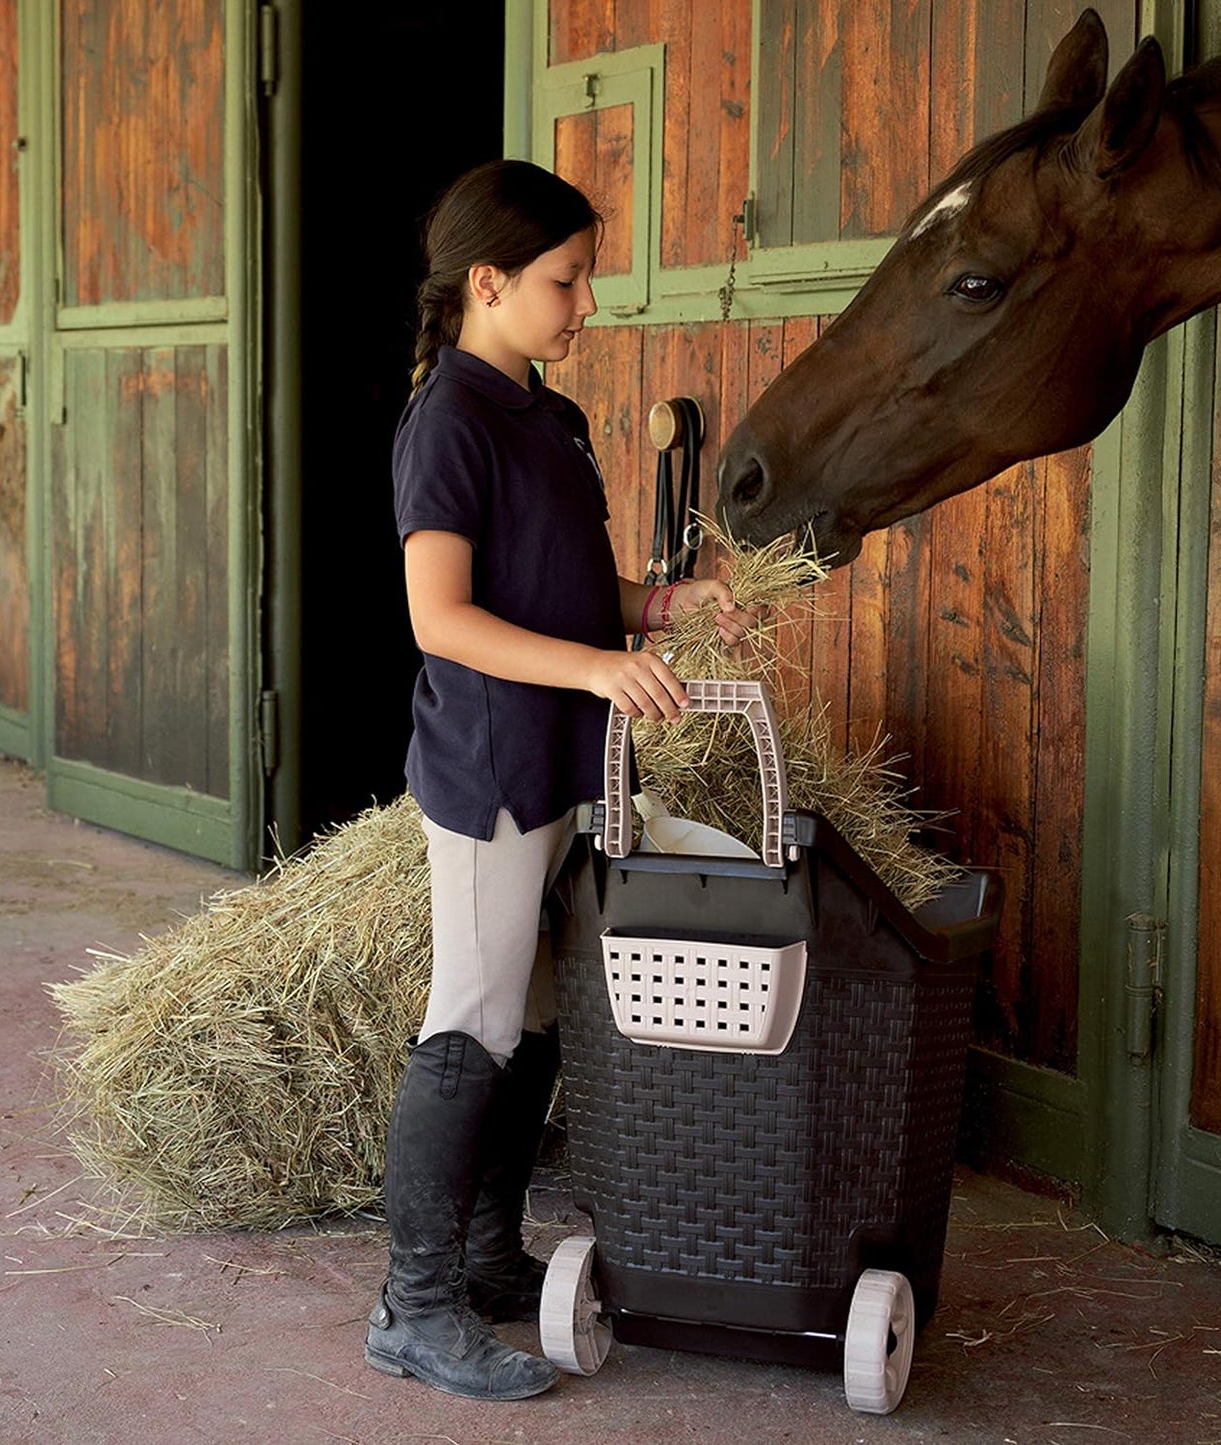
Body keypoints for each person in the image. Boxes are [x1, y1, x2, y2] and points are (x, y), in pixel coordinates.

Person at [364, 159, 754, 1403]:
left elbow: (581, 594)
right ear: (487, 283)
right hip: (489, 768)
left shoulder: (555, 417)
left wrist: (667, 606)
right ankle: (408, 1305)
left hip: (562, 763)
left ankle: (481, 1262)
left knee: (530, 1019)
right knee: (469, 1021)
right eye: (565, 280)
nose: (587, 303)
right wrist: (594, 665)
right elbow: (441, 619)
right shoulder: (448, 421)